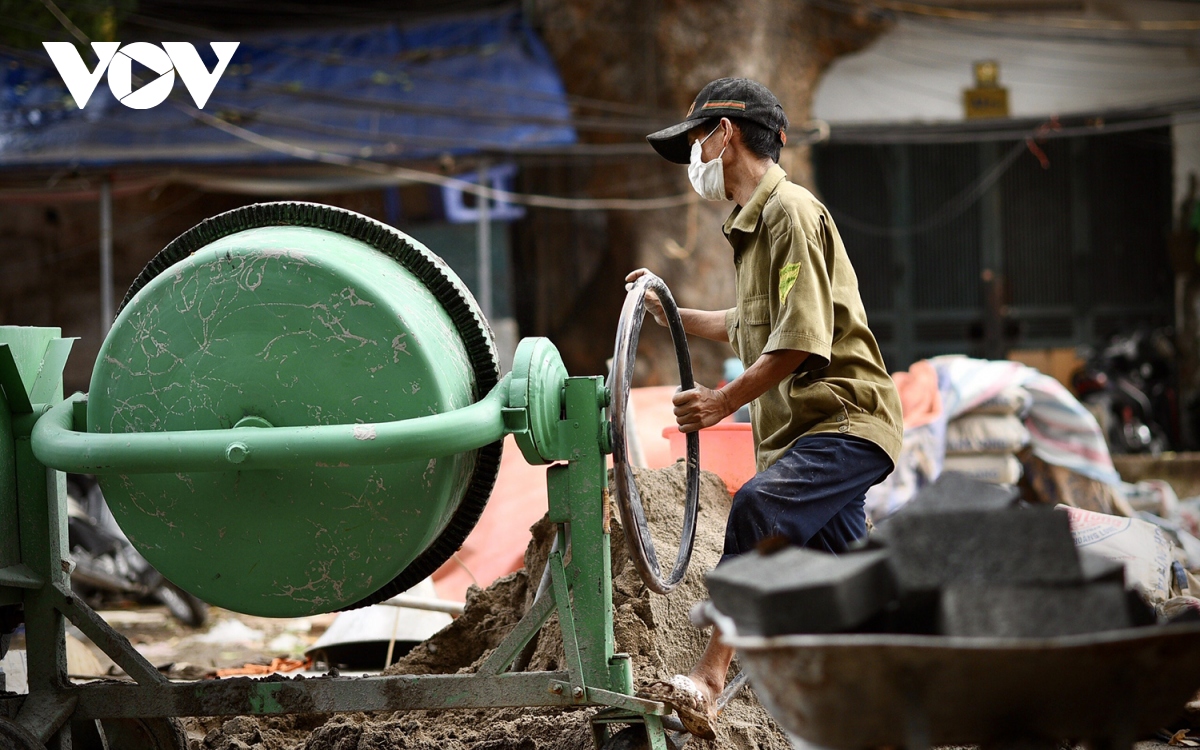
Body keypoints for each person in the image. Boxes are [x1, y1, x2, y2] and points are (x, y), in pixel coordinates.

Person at [629, 77, 903, 740]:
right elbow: (752, 324)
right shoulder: (755, 227)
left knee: (758, 507)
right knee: (857, 593)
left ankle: (710, 680)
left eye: (696, 139)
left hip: (840, 419)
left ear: (725, 133)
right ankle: (933, 691)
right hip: (803, 436)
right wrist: (673, 314)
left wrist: (722, 401)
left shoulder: (791, 214)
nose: (694, 157)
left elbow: (801, 339)